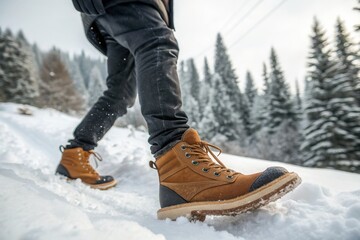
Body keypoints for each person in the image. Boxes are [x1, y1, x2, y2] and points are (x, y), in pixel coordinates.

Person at [56, 0, 301, 220]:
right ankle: (176, 163)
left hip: (109, 13)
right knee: (157, 42)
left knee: (119, 94)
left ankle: (74, 155)